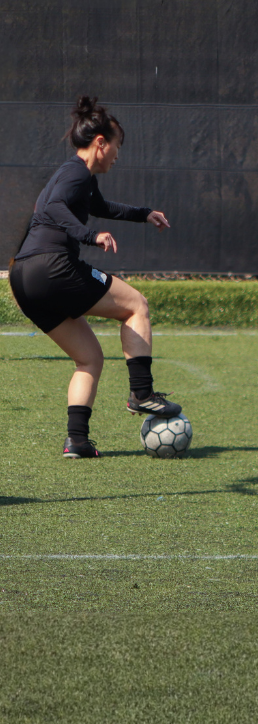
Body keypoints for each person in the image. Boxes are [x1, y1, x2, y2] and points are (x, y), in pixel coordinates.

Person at [10, 96, 182, 458]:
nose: (118, 153)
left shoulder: (78, 178)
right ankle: (142, 393)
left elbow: (101, 208)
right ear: (100, 142)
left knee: (89, 357)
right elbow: (56, 206)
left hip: (24, 278)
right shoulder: (75, 173)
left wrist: (145, 213)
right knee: (136, 304)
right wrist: (90, 236)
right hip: (51, 266)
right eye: (117, 144)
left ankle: (77, 440)